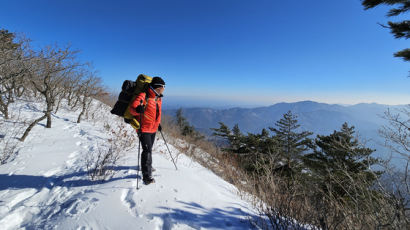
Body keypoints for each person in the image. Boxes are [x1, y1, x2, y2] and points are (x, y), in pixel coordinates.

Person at [129, 76, 165, 185]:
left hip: (153, 128)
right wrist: (137, 109)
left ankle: (148, 165)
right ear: (156, 87)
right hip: (143, 128)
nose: (163, 90)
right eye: (162, 88)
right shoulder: (143, 95)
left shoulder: (158, 98)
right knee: (147, 150)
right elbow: (132, 108)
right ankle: (146, 176)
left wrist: (158, 124)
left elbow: (156, 113)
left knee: (149, 149)